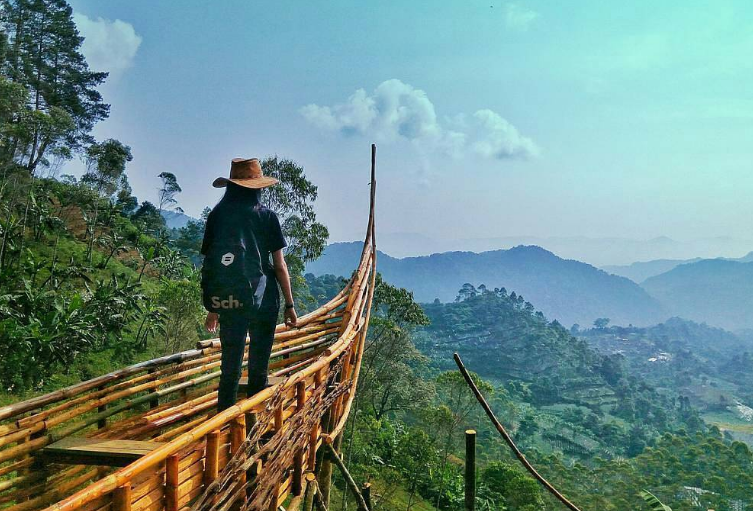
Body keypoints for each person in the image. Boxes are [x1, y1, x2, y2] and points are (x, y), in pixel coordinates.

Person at [201, 157, 297, 411]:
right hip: (263, 299)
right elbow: (279, 265)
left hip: (230, 301)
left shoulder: (217, 215)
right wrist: (289, 304)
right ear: (257, 187)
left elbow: (215, 263)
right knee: (258, 370)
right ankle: (253, 432)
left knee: (229, 369)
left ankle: (223, 427)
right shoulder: (266, 217)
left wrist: (214, 305)